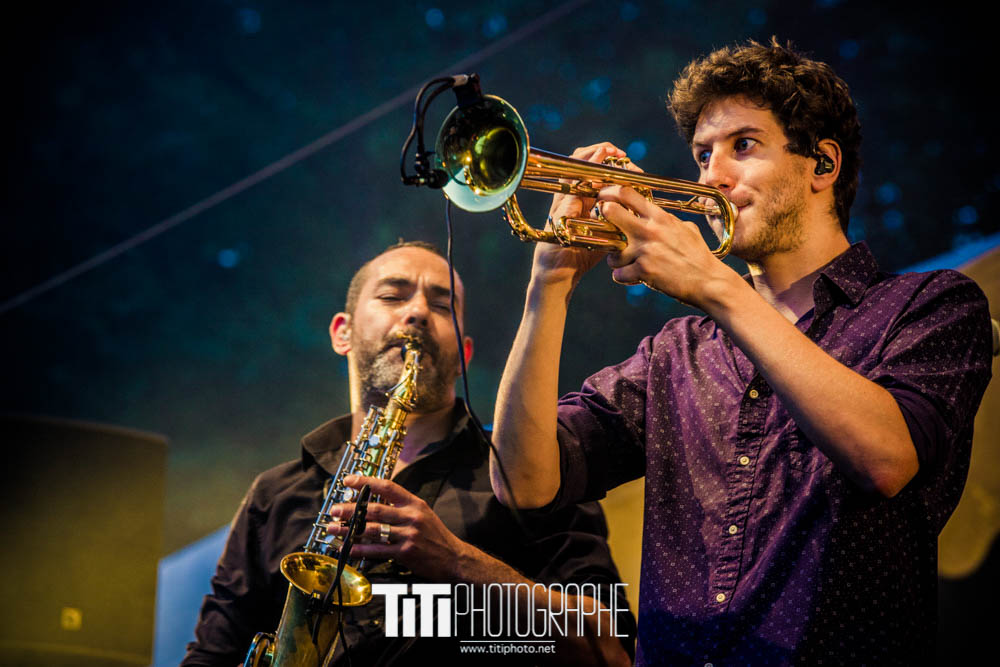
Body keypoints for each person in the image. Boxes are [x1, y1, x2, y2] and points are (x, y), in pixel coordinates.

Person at [490, 39, 993, 665]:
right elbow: (523, 483)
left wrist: (716, 287)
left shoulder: (929, 304)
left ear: (822, 165)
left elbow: (886, 458)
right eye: (703, 154)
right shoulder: (675, 352)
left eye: (743, 146)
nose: (710, 177)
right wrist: (549, 286)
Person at [181, 240, 635, 666]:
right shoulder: (276, 493)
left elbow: (613, 648)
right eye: (393, 296)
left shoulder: (529, 469)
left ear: (464, 355)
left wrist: (459, 563)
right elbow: (211, 654)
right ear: (343, 333)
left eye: (441, 306)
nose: (418, 312)